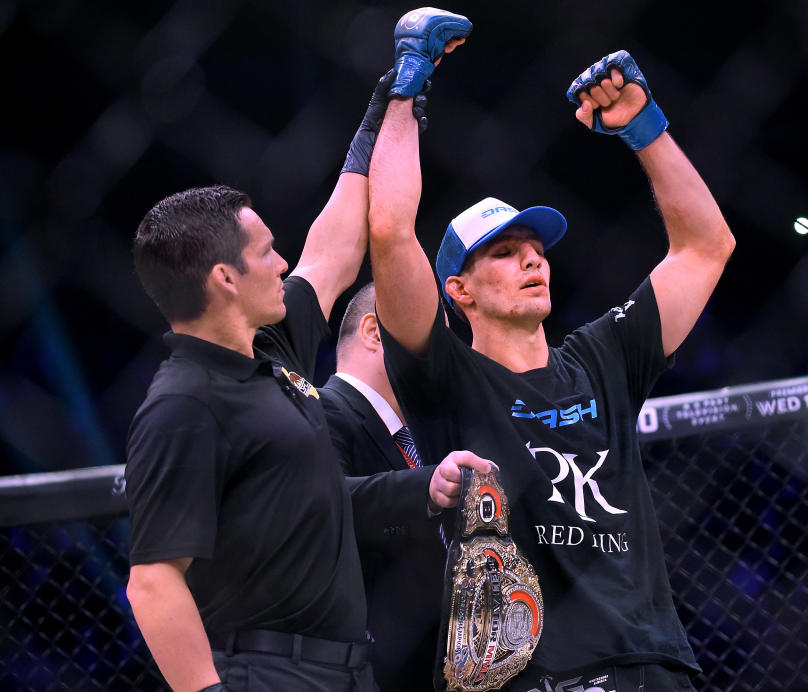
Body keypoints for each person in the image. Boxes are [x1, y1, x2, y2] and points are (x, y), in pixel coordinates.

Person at [368, 24, 735, 692]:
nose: (532, 259)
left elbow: (705, 247)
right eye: (503, 253)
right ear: (459, 289)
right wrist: (407, 86)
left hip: (653, 665)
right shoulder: (446, 376)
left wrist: (643, 126)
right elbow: (390, 234)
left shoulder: (602, 355)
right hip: (536, 673)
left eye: (535, 248)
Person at [124, 68, 394, 692]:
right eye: (268, 251)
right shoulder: (183, 403)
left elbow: (333, 254)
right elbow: (152, 581)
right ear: (224, 278)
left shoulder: (268, 351)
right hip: (267, 674)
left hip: (344, 669)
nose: (284, 263)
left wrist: (380, 118)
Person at [319, 282, 446, 692]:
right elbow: (325, 505)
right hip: (368, 670)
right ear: (375, 332)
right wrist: (426, 487)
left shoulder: (423, 434)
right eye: (431, 336)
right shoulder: (320, 410)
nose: (444, 356)